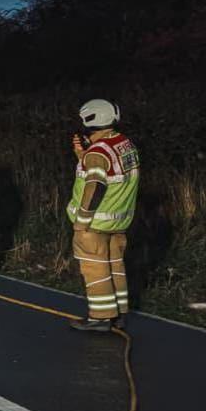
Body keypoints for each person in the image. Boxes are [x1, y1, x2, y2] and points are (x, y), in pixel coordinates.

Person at [67, 99, 139, 332]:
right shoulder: (124, 144)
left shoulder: (97, 153)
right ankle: (119, 313)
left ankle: (100, 317)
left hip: (95, 224)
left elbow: (96, 185)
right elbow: (109, 172)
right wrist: (82, 156)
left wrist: (82, 221)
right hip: (118, 221)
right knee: (114, 266)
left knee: (95, 269)